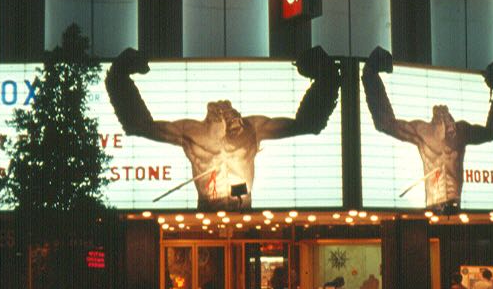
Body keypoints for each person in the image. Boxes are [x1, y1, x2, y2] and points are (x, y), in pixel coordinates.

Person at [106, 46, 340, 211]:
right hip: (206, 212)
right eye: (224, 112)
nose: (231, 116)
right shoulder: (190, 132)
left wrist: (327, 75)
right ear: (211, 114)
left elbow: (305, 125)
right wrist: (119, 75)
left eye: (232, 112)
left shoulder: (252, 129)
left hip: (243, 213)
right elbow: (141, 127)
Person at [362, 46, 493, 210]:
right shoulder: (426, 132)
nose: (447, 122)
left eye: (448, 117)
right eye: (443, 117)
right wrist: (370, 75)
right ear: (435, 122)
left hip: (448, 203)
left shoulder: (459, 132)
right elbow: (386, 124)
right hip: (435, 204)